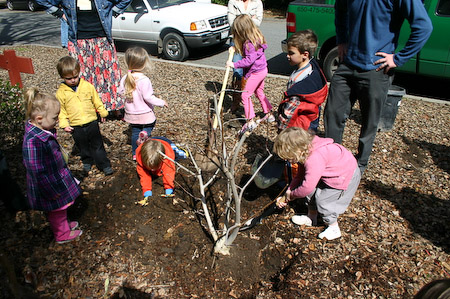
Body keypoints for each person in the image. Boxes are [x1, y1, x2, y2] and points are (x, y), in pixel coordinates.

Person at [324, 0, 433, 173]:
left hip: (376, 69)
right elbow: (340, 9)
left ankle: (359, 166)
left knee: (369, 122)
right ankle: (331, 161)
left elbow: (424, 27)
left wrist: (398, 59)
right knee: (332, 114)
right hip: (347, 65)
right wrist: (342, 40)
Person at [37, 0, 132, 114]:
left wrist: (113, 12)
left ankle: (112, 108)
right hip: (78, 41)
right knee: (83, 77)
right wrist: (58, 13)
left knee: (108, 76)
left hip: (102, 39)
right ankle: (89, 110)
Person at [273, 127, 361, 240]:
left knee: (324, 201)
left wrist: (291, 195)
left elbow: (307, 188)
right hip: (331, 172)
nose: (288, 161)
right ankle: (312, 217)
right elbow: (300, 176)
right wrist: (289, 190)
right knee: (312, 193)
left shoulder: (314, 158)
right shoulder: (304, 151)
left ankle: (333, 227)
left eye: (289, 158)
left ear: (297, 151)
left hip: (344, 175)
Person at [22, 88, 82, 244]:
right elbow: (37, 172)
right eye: (55, 118)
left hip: (55, 176)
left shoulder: (42, 130)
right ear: (39, 118)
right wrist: (50, 191)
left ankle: (64, 226)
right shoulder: (32, 142)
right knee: (57, 209)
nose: (57, 120)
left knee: (61, 209)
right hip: (49, 185)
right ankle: (62, 234)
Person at [56, 56, 113, 176]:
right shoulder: (61, 93)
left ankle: (104, 164)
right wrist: (64, 124)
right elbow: (61, 110)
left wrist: (102, 111)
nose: (73, 80)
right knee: (82, 145)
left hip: (91, 121)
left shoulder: (87, 86)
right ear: (62, 77)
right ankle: (87, 160)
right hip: (76, 125)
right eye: (69, 78)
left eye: (75, 77)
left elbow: (96, 100)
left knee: (97, 145)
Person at [226, 14, 274, 135]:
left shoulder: (249, 44)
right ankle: (269, 114)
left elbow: (249, 61)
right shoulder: (257, 36)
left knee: (245, 95)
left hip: (256, 73)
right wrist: (234, 49)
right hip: (263, 69)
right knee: (259, 92)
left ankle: (250, 120)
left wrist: (234, 64)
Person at [118, 47, 168, 160]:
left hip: (131, 113)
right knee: (151, 123)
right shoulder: (144, 80)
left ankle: (135, 154)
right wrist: (161, 102)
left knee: (135, 132)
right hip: (145, 113)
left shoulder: (125, 78)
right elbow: (148, 97)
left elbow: (120, 92)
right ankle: (145, 133)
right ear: (144, 63)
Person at [277, 30, 328, 133]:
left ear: (305, 54)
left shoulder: (301, 81)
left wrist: (281, 128)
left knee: (294, 146)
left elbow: (292, 108)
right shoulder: (312, 69)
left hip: (298, 125)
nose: (287, 55)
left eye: (291, 53)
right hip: (309, 120)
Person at [227, 0, 263, 112]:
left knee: (250, 71)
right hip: (237, 39)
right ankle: (236, 101)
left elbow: (258, 22)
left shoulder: (257, 2)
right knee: (237, 71)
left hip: (250, 40)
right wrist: (249, 18)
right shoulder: (233, 2)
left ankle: (246, 99)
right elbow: (232, 23)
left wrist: (241, 19)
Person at [136, 137, 188, 202]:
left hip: (167, 144)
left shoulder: (167, 159)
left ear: (162, 159)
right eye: (150, 168)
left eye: (154, 168)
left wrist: (169, 189)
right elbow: (144, 176)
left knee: (180, 156)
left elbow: (169, 173)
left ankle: (181, 150)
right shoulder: (141, 160)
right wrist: (147, 191)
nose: (152, 170)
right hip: (151, 143)